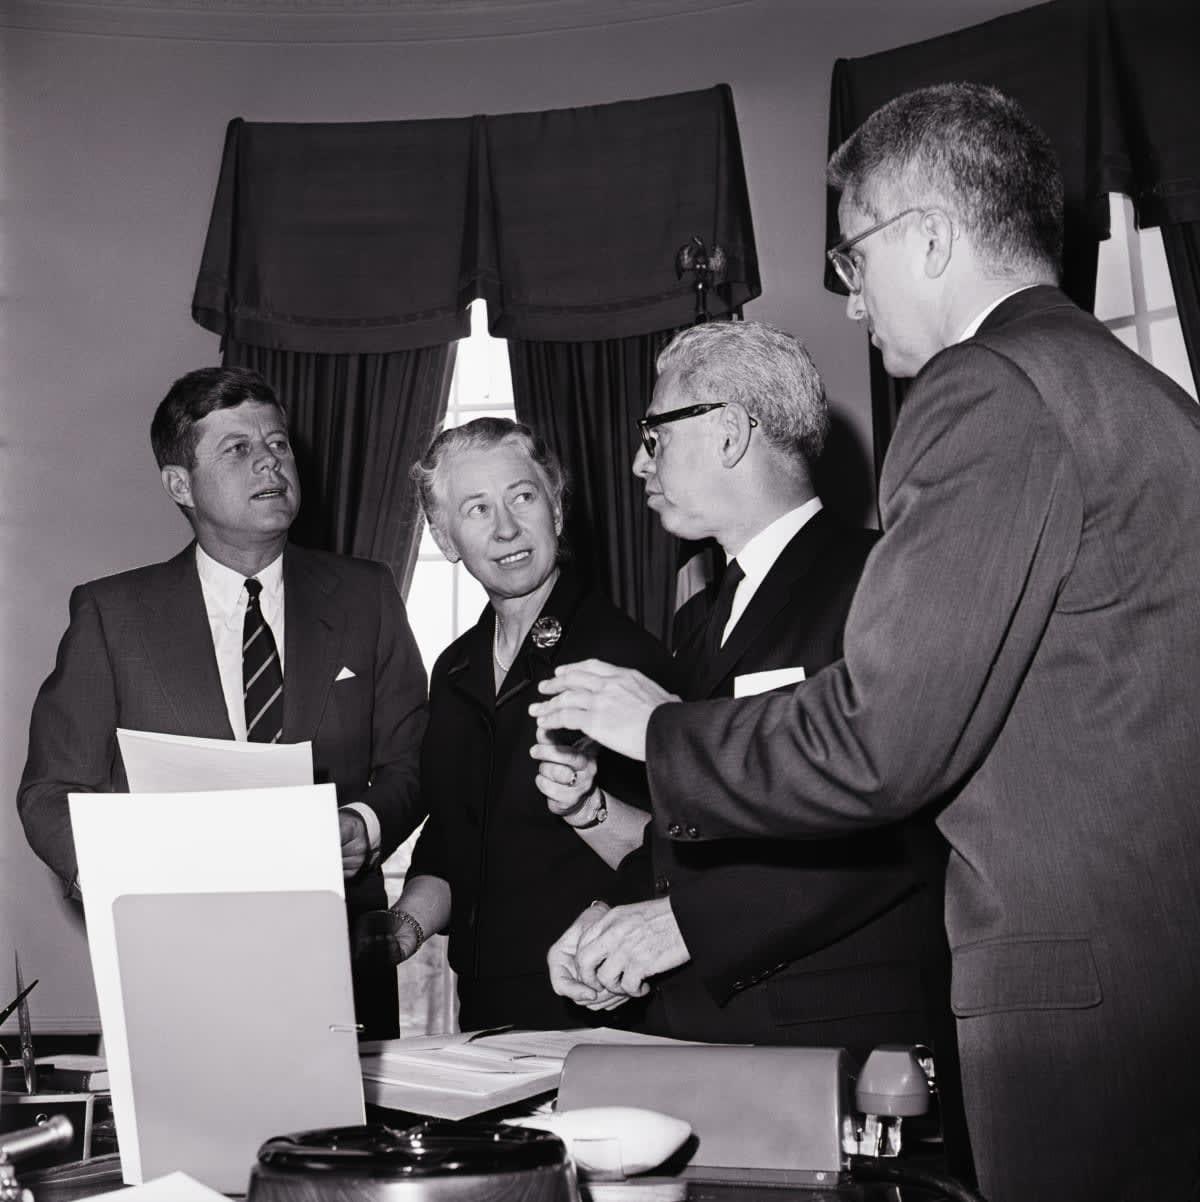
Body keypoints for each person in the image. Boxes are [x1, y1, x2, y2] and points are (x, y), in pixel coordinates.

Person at [531, 83, 1200, 1202]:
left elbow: (885, 740)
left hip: (1069, 1015)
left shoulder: (986, 386)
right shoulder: (1149, 398)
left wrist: (657, 728)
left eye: (853, 258)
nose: (850, 301)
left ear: (930, 235)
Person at [548, 322, 951, 1053]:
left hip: (836, 1041)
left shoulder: (880, 578)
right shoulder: (703, 616)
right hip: (711, 1032)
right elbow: (702, 836)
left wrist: (687, 925)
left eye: (654, 435)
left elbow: (904, 826)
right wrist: (609, 922)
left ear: (729, 433)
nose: (640, 464)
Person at [18, 365, 428, 1039]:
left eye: (278, 443)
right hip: (175, 965)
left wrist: (366, 822)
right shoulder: (112, 615)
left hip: (341, 959)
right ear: (180, 484)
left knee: (344, 1148)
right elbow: (51, 790)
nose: (270, 460)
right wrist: (117, 880)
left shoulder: (368, 595)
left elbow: (413, 757)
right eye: (238, 448)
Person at [355, 417, 670, 1031]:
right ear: (446, 540)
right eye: (476, 509)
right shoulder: (454, 669)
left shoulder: (623, 661)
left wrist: (589, 805)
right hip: (486, 1004)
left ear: (556, 509)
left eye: (522, 497)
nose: (505, 528)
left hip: (601, 999)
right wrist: (404, 928)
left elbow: (677, 853)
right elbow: (452, 840)